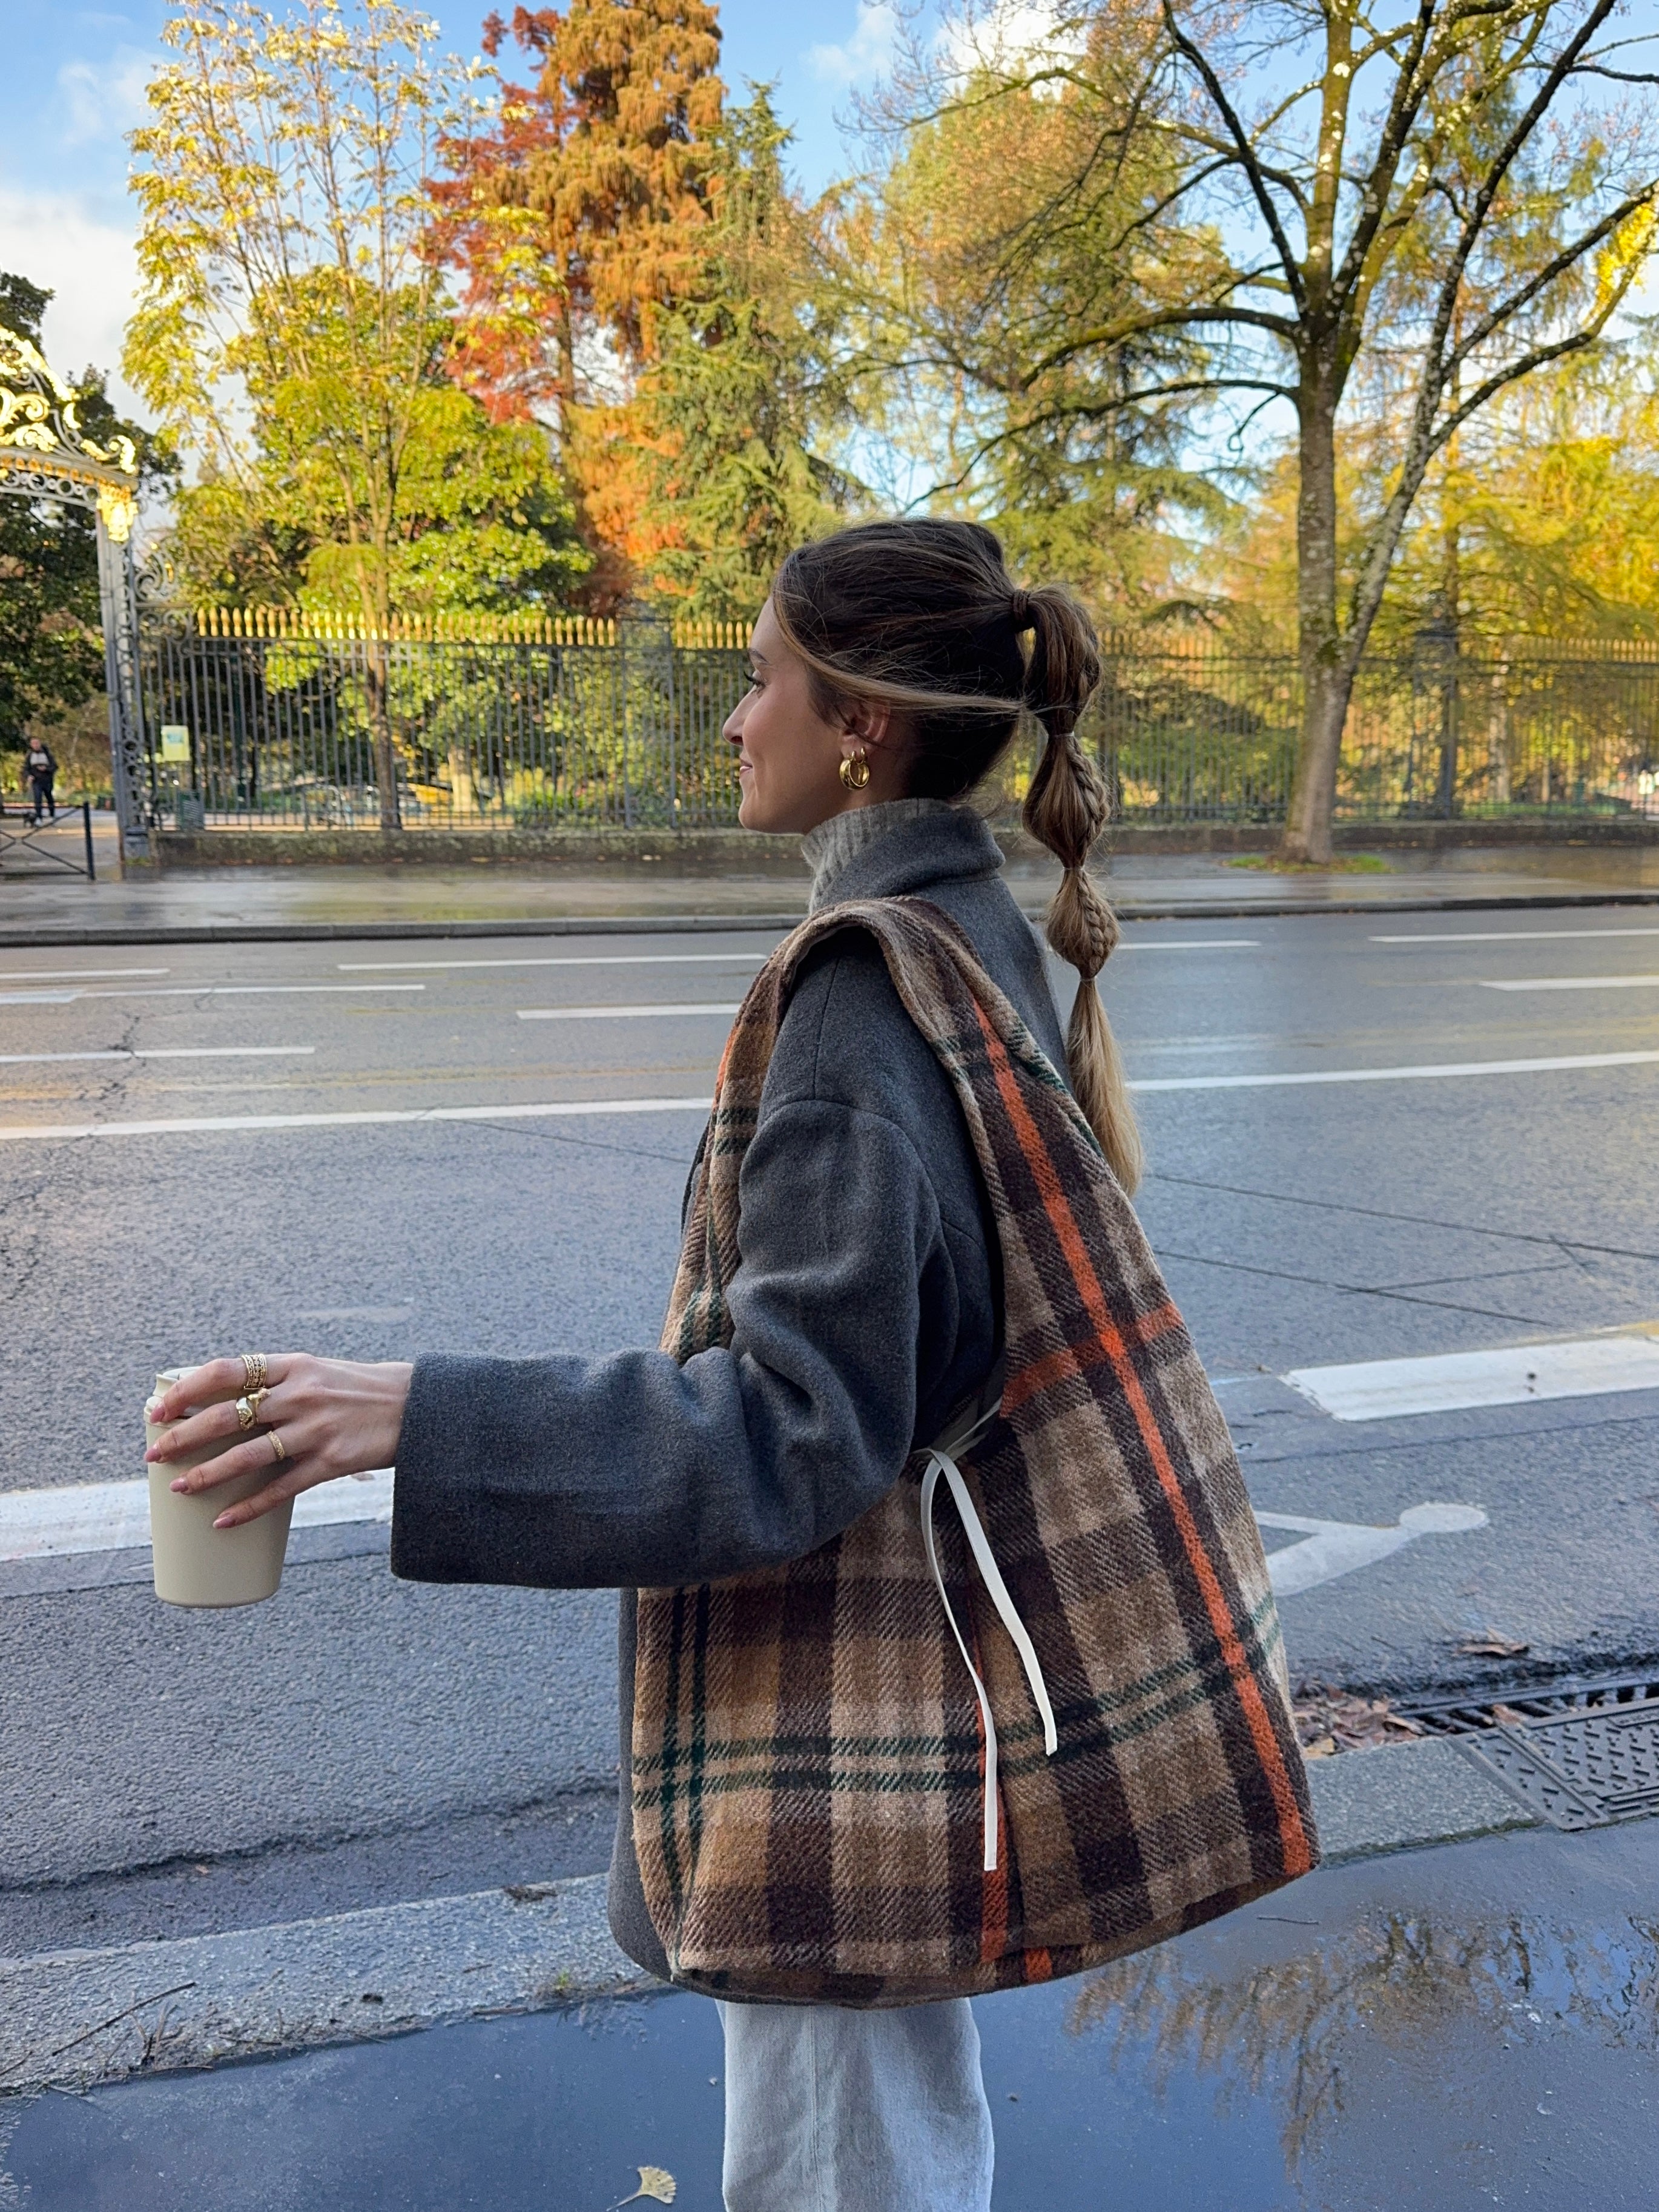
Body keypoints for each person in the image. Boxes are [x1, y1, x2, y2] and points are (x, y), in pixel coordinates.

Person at [145, 521, 1148, 2210]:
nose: (733, 721)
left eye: (759, 680)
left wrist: (408, 1411)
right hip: (923, 1668)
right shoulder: (973, 924)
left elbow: (790, 1430)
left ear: (859, 726)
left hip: (841, 1701)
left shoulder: (858, 992)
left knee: (839, 2156)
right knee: (897, 2113)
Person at [24, 736, 56, 823]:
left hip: (47, 780)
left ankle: (52, 815)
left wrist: (46, 769)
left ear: (40, 743)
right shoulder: (30, 756)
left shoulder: (48, 755)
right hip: (36, 781)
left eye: (37, 743)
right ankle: (39, 817)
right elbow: (26, 768)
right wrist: (28, 776)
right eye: (33, 744)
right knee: (38, 799)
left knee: (49, 797)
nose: (35, 745)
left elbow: (54, 767)